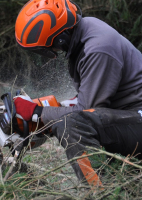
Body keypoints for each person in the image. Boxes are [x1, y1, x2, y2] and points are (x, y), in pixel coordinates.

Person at [13, 0, 142, 187]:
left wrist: (37, 113)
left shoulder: (97, 49)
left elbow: (87, 114)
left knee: (72, 124)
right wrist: (47, 114)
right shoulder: (85, 31)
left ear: (60, 38)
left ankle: (96, 193)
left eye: (48, 47)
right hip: (130, 115)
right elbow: (91, 99)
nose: (50, 51)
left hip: (137, 117)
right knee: (70, 118)